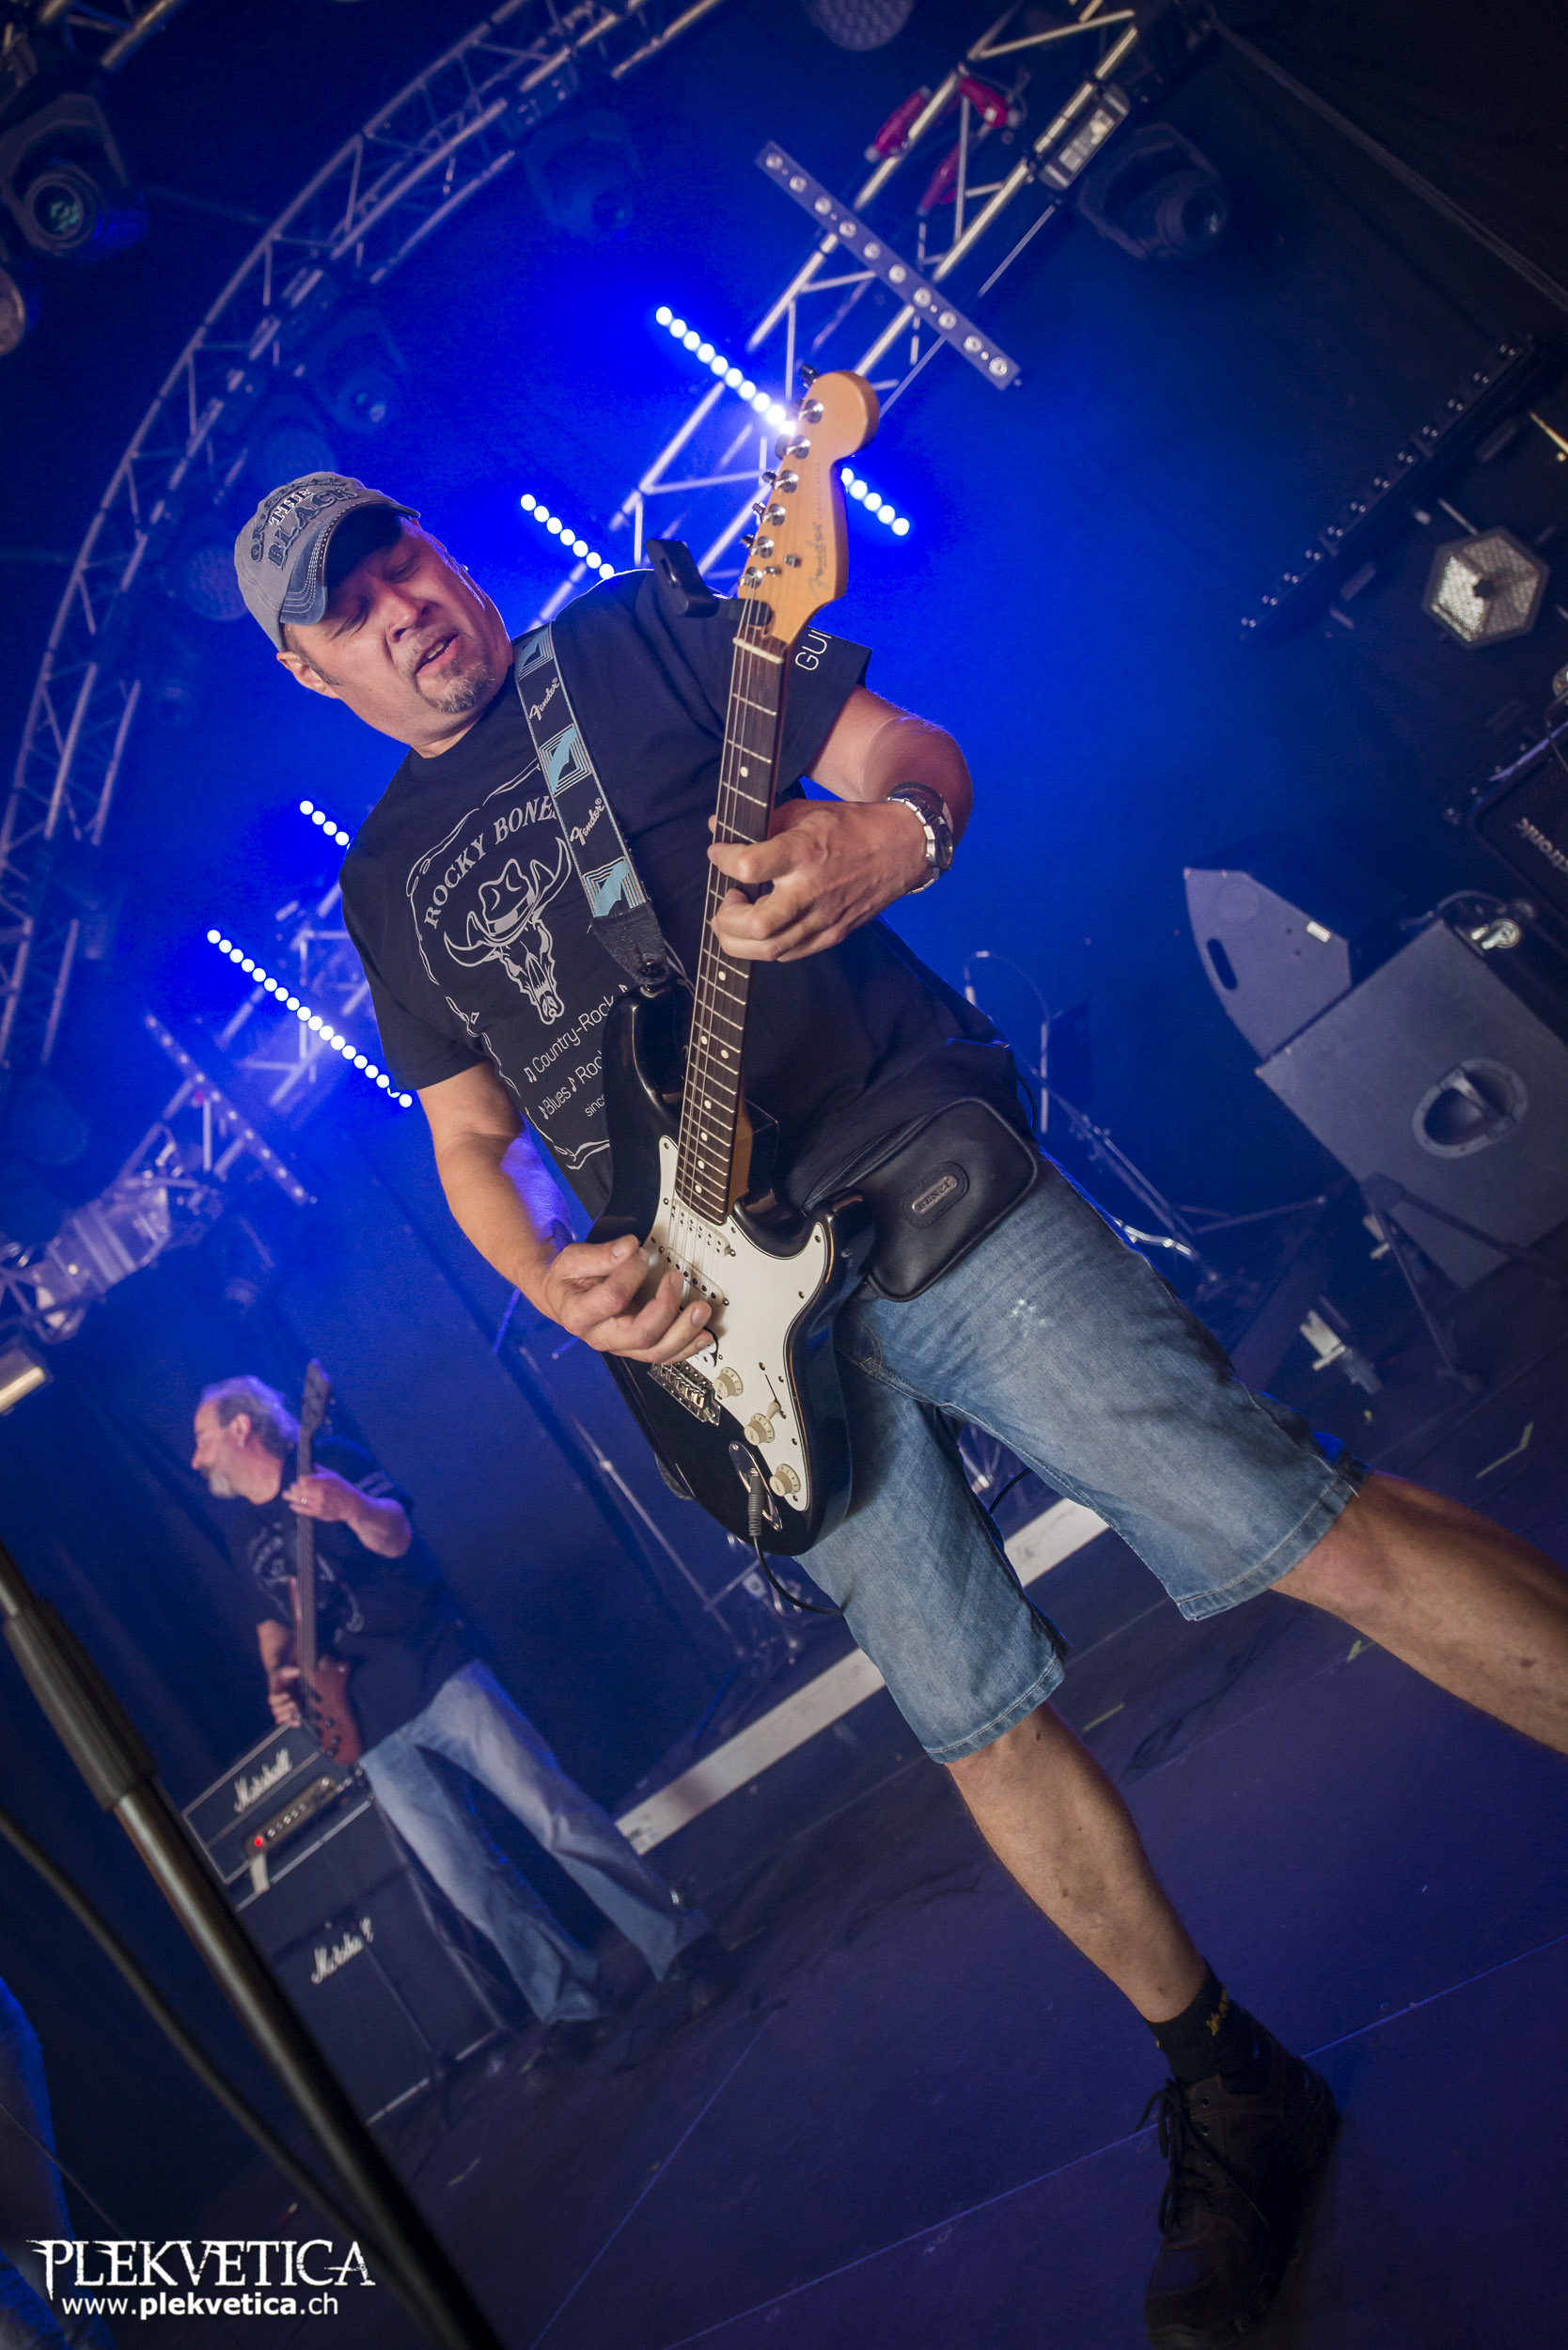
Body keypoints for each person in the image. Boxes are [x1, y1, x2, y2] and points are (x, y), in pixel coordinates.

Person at [235, 473, 1568, 2350]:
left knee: (1285, 1524)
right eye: (352, 607)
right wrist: (548, 1274)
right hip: (719, 1331)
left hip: (907, 1167)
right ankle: (1225, 2076)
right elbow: (472, 1143)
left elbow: (905, 754)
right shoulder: (382, 886)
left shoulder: (631, 638)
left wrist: (891, 837)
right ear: (313, 670)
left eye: (405, 558)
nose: (402, 603)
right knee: (970, 1715)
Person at [191, 1375, 733, 2040]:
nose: (195, 1457)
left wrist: (348, 1506)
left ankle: (680, 1945)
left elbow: (397, 1537)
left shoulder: (330, 1459)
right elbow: (271, 1624)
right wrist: (279, 1675)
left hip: (432, 1668)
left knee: (552, 1813)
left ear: (241, 1427)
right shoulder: (243, 1535)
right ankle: (571, 2003)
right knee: (467, 1880)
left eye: (202, 1438)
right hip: (364, 1725)